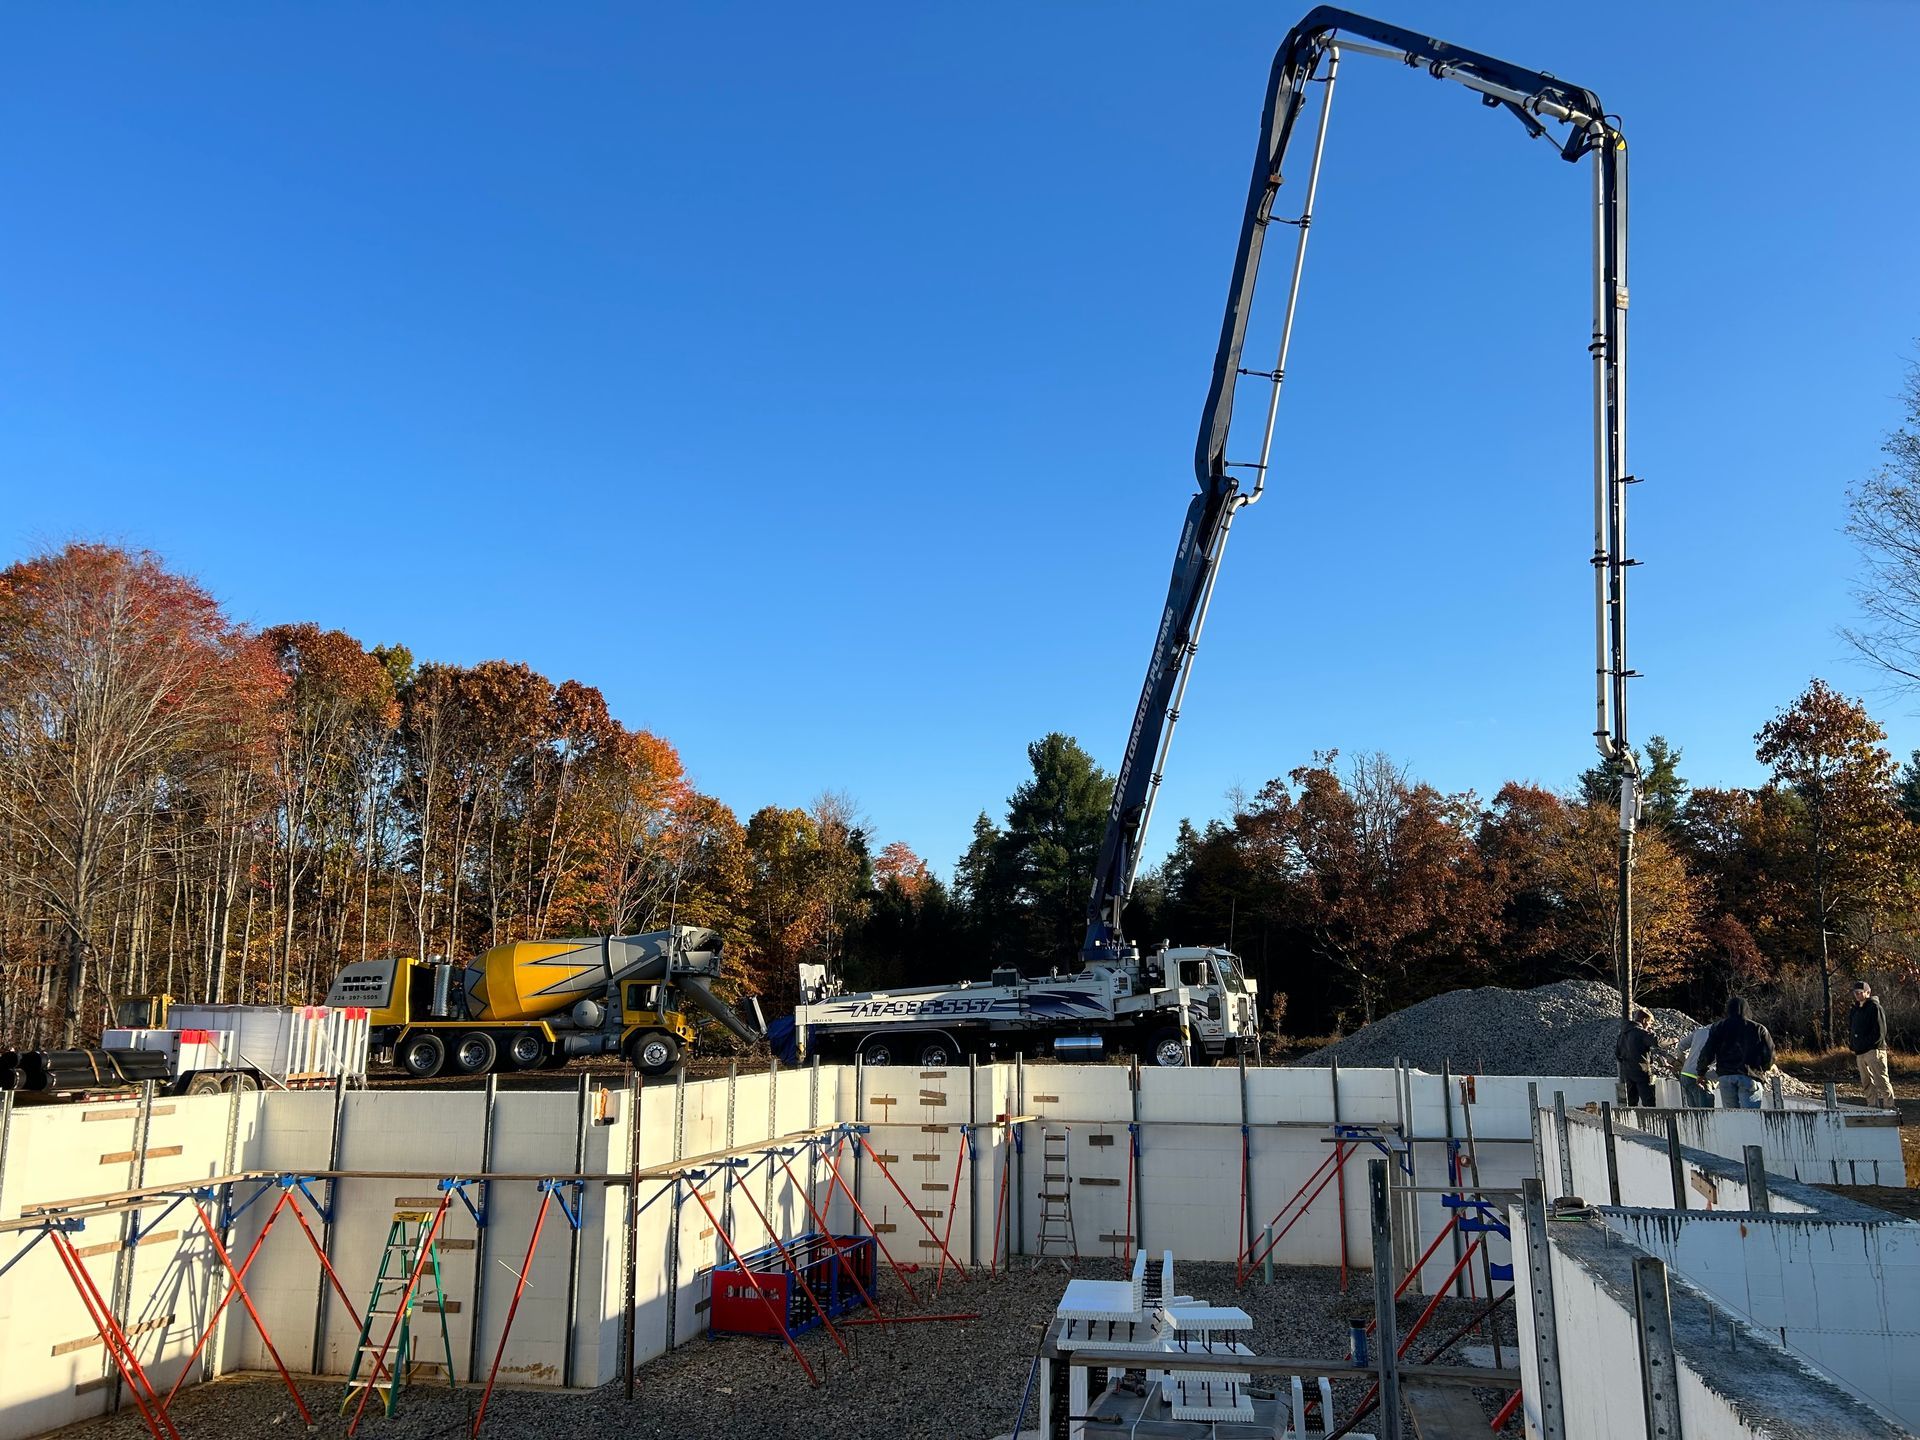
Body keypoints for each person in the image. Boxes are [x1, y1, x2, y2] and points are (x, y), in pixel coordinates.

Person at [1697, 995, 1775, 1109]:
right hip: (1749, 1075)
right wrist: (1764, 1068)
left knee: (1732, 1116)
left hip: (1725, 1077)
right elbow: (1769, 1053)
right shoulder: (1758, 1029)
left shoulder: (1718, 1027)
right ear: (1747, 1009)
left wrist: (1701, 1072)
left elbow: (1707, 1051)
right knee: (1750, 1117)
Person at [1849, 979, 1896, 1110]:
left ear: (1868, 992)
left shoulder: (1875, 1007)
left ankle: (1889, 1106)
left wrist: (1867, 1044)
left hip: (1874, 1050)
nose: (1857, 995)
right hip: (1860, 1052)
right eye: (1855, 993)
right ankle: (1872, 1107)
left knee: (1881, 1080)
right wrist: (1853, 1045)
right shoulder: (1855, 1010)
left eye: (1860, 992)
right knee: (1866, 1082)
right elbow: (1852, 1029)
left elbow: (1880, 1032)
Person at [1614, 1007, 1662, 1106]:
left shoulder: (1623, 1034)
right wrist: (1674, 1040)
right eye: (1649, 1023)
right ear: (1644, 1020)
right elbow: (1657, 1042)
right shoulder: (1640, 1033)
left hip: (1627, 1073)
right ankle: (1650, 1121)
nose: (1649, 1026)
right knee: (1649, 1102)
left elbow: (1617, 1054)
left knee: (1631, 1103)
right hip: (1642, 1072)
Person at [1675, 1020, 1715, 1108]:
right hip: (1698, 1078)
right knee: (1706, 1115)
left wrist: (1683, 1062)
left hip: (1685, 1075)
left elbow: (1681, 1045)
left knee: (1694, 1114)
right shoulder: (1720, 1035)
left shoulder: (1700, 1031)